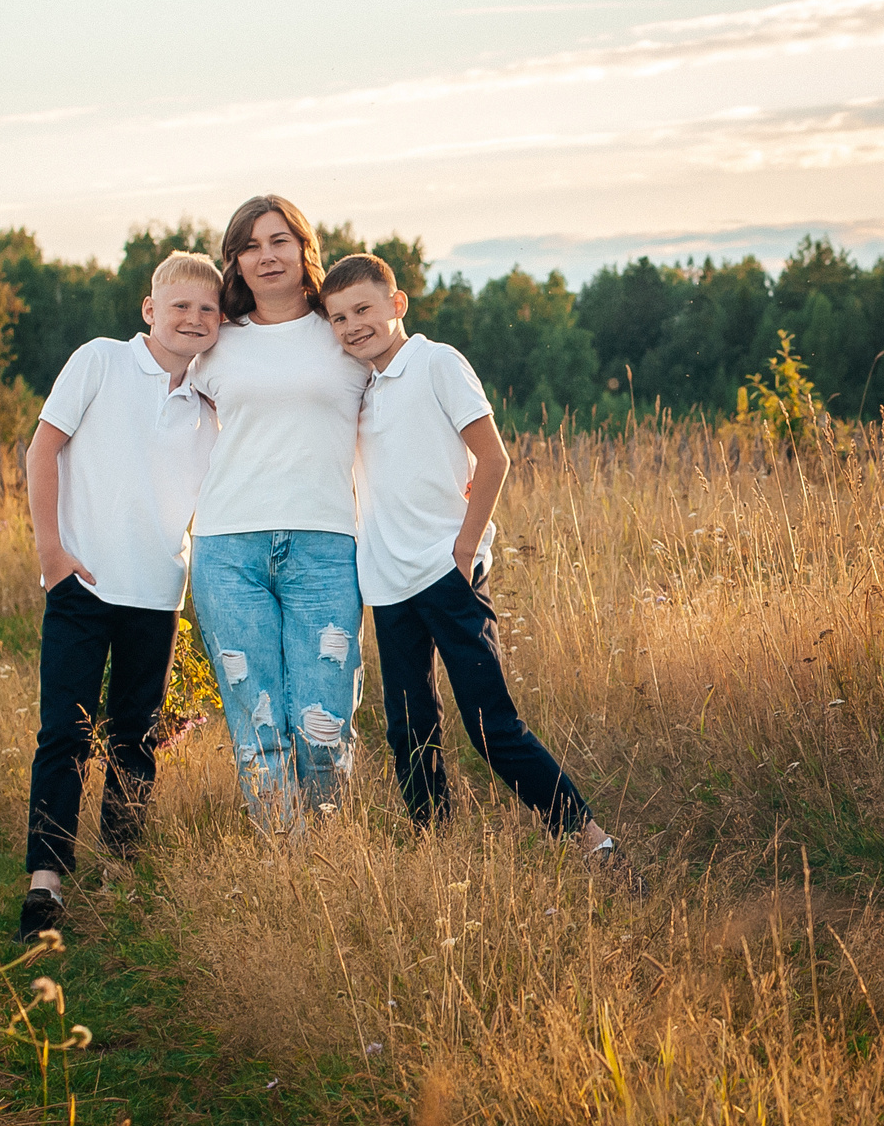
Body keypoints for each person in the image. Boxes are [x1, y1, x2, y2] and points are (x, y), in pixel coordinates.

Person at [317, 252, 618, 859]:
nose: (351, 325)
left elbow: (494, 457)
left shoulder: (436, 362)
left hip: (446, 573)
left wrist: (465, 545)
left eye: (363, 309)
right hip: (388, 584)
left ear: (397, 305)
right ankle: (437, 850)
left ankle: (592, 842)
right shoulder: (360, 391)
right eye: (338, 317)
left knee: (489, 725)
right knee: (408, 729)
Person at [18, 251, 223, 941]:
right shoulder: (100, 361)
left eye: (207, 310)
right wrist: (52, 552)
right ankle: (46, 881)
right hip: (83, 581)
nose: (192, 319)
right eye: (180, 307)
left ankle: (122, 870)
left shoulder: (211, 399)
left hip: (158, 591)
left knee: (135, 739)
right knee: (65, 734)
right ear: (150, 310)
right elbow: (42, 450)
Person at [187, 195, 371, 833]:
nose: (266, 257)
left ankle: (325, 861)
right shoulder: (213, 341)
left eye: (279, 242)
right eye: (250, 246)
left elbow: (403, 400)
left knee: (322, 725)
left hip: (325, 547)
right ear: (234, 261)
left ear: (304, 249)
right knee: (258, 726)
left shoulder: (343, 330)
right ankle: (280, 864)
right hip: (227, 549)